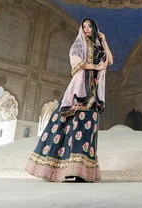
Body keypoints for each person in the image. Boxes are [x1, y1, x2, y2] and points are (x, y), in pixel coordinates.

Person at [25, 17, 113, 182]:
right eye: (84, 26)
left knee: (89, 131)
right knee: (73, 128)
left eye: (89, 26)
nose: (86, 29)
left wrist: (104, 41)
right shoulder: (79, 44)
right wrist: (95, 66)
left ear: (95, 28)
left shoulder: (99, 46)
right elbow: (76, 62)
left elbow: (110, 60)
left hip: (94, 94)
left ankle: (83, 173)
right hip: (79, 92)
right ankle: (67, 170)